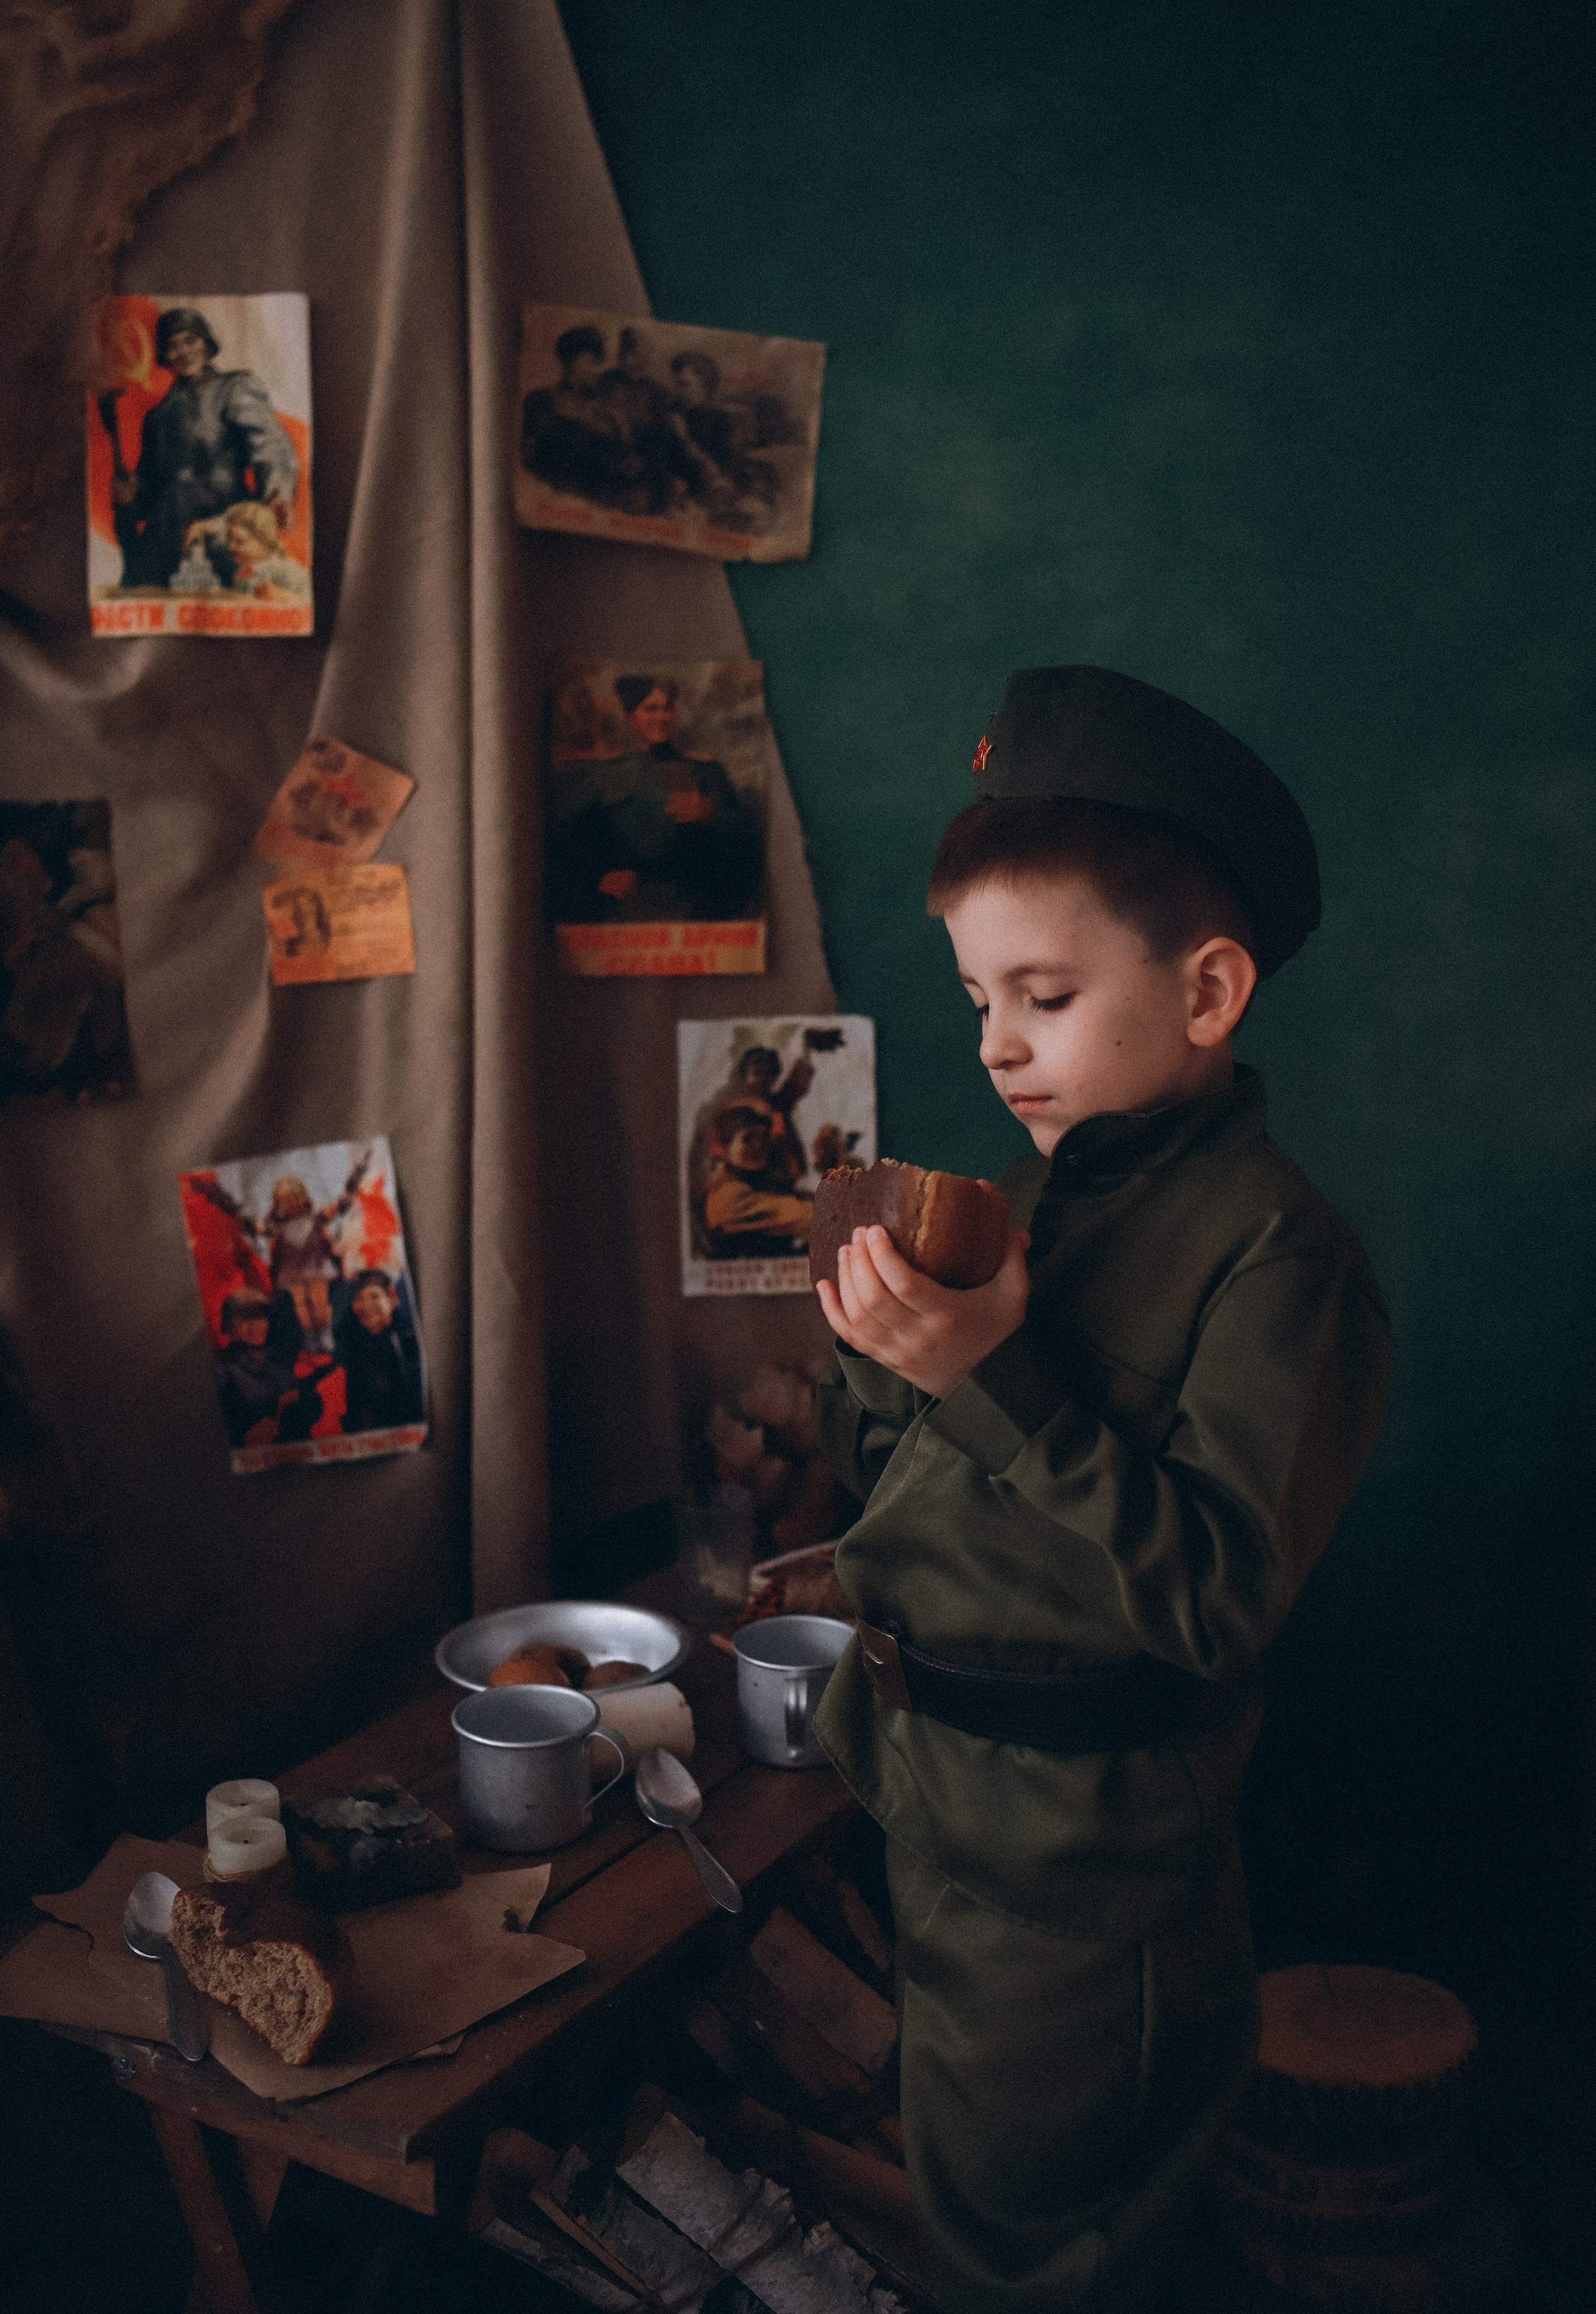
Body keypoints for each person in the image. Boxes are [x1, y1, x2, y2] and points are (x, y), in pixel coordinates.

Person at [809, 666, 1390, 2313]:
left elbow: (1213, 1596)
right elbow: (912, 1507)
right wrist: (876, 1357)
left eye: (1044, 995)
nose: (995, 1044)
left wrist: (985, 1375)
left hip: (1084, 1862)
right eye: (977, 996)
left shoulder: (1278, 1260)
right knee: (977, 2205)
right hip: (940, 1800)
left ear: (1206, 990)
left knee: (1046, 2255)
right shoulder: (1023, 1200)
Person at [547, 675, 763, 924]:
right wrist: (598, 877)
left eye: (667, 708)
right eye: (651, 709)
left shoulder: (706, 771)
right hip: (629, 910)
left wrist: (710, 812)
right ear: (631, 717)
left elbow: (749, 837)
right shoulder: (607, 774)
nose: (661, 717)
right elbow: (562, 835)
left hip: (699, 907)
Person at [110, 307, 298, 590]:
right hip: (163, 542)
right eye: (173, 346)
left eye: (190, 340)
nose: (183, 352)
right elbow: (149, 486)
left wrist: (278, 491)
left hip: (221, 535)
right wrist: (130, 498)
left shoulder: (235, 388)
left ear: (207, 344)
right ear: (165, 357)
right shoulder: (156, 418)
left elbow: (271, 444)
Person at [519, 324, 644, 507]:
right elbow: (528, 461)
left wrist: (622, 431)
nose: (596, 371)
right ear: (568, 363)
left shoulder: (608, 415)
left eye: (598, 363)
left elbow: (628, 471)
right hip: (552, 502)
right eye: (590, 363)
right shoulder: (540, 401)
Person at [214, 1288, 327, 1449]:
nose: (256, 1325)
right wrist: (279, 1411)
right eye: (244, 1319)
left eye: (261, 1317)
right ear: (229, 1326)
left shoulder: (274, 1356)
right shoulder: (225, 1370)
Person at [699, 1105, 814, 1259]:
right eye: (748, 1139)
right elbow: (805, 1215)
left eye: (764, 1137)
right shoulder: (727, 1195)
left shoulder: (752, 1181)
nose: (759, 1145)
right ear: (726, 1148)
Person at [334, 1270, 424, 1436]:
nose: (366, 1305)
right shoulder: (360, 1346)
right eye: (360, 1299)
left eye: (375, 1297)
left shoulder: (406, 1342)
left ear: (392, 1300)